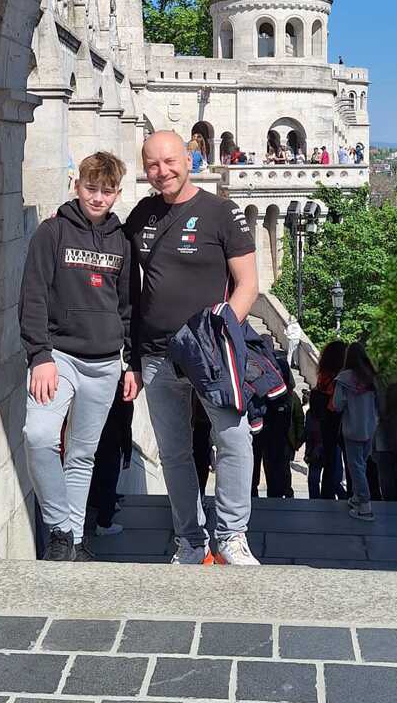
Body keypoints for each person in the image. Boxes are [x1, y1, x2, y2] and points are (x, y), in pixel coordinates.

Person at [126, 130, 259, 566]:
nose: (162, 171)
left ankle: (232, 536)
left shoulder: (222, 212)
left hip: (209, 354)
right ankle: (190, 540)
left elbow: (247, 285)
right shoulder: (142, 215)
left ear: (189, 159)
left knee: (234, 439)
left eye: (169, 161)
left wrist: (219, 334)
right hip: (157, 354)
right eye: (152, 165)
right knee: (174, 453)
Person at [19, 152, 141, 562]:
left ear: (117, 193)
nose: (98, 197)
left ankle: (70, 544)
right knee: (39, 436)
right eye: (91, 188)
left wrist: (130, 361)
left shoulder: (122, 240)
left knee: (82, 456)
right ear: (77, 186)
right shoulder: (52, 232)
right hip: (59, 357)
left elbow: (128, 305)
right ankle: (61, 528)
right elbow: (33, 295)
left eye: (107, 191)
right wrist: (39, 355)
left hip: (105, 364)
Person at [333, 342, 380, 520]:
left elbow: (337, 404)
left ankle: (365, 505)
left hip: (352, 427)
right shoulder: (372, 378)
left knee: (355, 466)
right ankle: (356, 497)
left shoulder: (344, 379)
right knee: (363, 463)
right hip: (370, 427)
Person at [251, 353, 304, 499]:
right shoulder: (288, 394)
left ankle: (259, 493)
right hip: (277, 430)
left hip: (266, 428)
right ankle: (276, 494)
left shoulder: (256, 361)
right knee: (277, 469)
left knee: (264, 467)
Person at [87, 376, 134, 535]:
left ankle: (96, 503)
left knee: (95, 476)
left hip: (92, 438)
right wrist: (127, 452)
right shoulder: (123, 392)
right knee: (109, 481)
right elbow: (126, 425)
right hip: (111, 442)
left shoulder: (97, 385)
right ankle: (104, 523)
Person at [310, 340, 347, 500]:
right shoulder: (341, 378)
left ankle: (327, 494)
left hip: (324, 421)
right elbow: (336, 403)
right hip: (338, 420)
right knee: (345, 460)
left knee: (329, 461)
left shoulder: (323, 375)